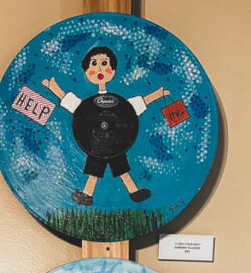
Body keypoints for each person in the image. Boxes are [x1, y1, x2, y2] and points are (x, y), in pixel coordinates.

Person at [42, 46, 169, 207]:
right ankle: (91, 195)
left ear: (113, 70)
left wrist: (157, 94)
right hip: (96, 145)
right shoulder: (87, 105)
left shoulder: (120, 103)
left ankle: (132, 193)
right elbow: (74, 105)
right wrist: (54, 89)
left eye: (104, 63)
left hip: (115, 144)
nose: (99, 69)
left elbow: (135, 106)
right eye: (94, 64)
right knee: (97, 171)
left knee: (120, 170)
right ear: (86, 71)